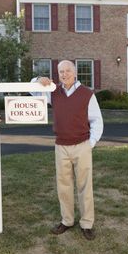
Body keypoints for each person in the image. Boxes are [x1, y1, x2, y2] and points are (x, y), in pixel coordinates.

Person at [34, 60, 103, 240]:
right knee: (63, 185)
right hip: (61, 146)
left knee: (84, 186)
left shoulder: (87, 94)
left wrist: (91, 142)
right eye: (61, 72)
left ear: (75, 73)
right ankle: (67, 220)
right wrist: (39, 79)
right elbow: (33, 90)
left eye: (67, 71)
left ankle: (87, 223)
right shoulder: (53, 91)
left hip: (82, 145)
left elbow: (97, 120)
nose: (64, 74)